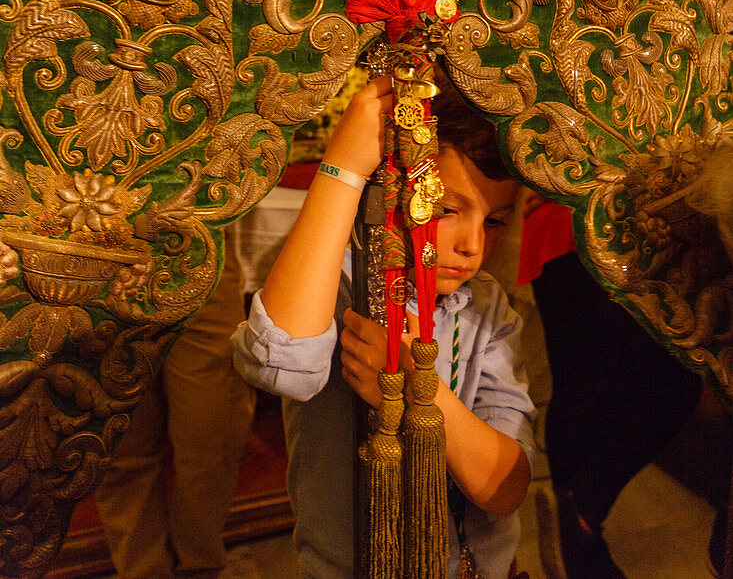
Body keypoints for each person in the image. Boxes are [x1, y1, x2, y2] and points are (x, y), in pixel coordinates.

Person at [232, 75, 536, 579]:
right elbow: (281, 365)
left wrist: (422, 392)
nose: (473, 245)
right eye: (445, 211)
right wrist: (345, 168)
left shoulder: (487, 309)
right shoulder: (339, 280)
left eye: (496, 221)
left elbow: (504, 488)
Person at [518, 197, 710, 579]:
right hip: (585, 224)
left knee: (594, 385)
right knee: (611, 384)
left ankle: (577, 528)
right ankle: (581, 526)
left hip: (627, 230)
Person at [96, 231, 256, 579]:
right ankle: (141, 571)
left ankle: (203, 565)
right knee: (121, 443)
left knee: (212, 430)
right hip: (95, 254)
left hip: (200, 250)